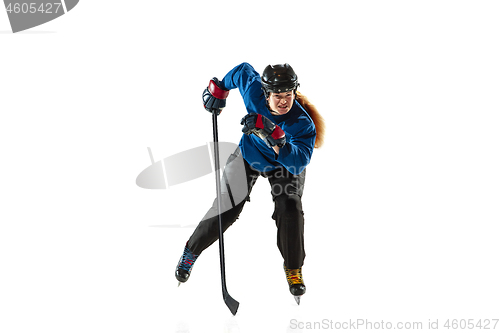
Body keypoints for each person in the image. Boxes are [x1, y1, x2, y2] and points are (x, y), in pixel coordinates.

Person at [175, 62, 325, 302]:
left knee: (290, 209)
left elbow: (298, 163)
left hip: (284, 166)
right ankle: (190, 252)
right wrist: (220, 89)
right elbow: (242, 71)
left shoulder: (302, 124)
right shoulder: (254, 91)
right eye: (278, 96)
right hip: (249, 157)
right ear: (266, 93)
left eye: (288, 95)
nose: (284, 101)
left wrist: (273, 135)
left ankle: (294, 268)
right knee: (227, 208)